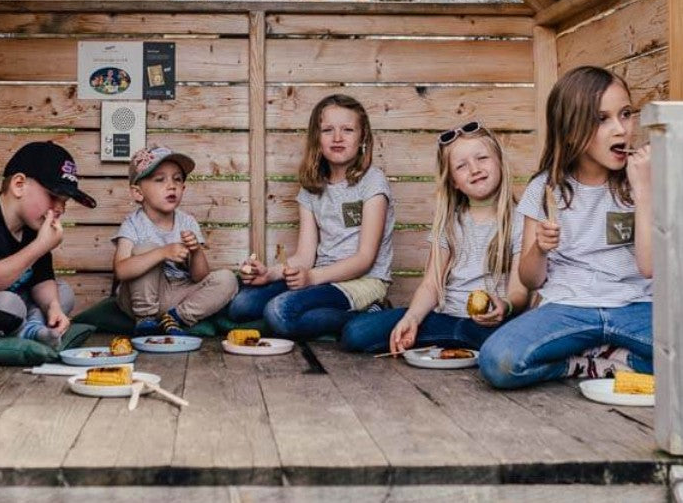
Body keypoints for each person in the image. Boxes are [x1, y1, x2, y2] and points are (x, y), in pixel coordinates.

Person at [479, 65, 653, 389]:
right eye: (602, 119)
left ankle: (616, 360)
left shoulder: (645, 179)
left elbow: (649, 267)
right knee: (497, 360)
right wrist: (540, 249)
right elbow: (530, 279)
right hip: (569, 308)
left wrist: (644, 192)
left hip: (637, 307)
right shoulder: (545, 189)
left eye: (626, 114)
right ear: (571, 130)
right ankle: (577, 363)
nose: (621, 129)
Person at [342, 120, 527, 353]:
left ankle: (472, 348)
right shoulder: (449, 222)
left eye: (482, 158)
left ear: (499, 161)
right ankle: (445, 341)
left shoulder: (520, 220)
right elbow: (431, 285)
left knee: (508, 350)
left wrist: (506, 306)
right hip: (444, 319)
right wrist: (412, 319)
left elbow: (520, 292)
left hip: (489, 327)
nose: (474, 169)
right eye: (461, 166)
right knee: (355, 333)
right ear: (453, 182)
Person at [229, 94, 395, 340]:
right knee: (241, 305)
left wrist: (312, 278)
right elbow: (305, 257)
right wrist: (271, 274)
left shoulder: (372, 182)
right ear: (316, 138)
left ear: (363, 137)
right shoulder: (311, 188)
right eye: (328, 130)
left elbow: (365, 259)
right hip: (319, 278)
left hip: (363, 281)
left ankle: (367, 315)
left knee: (278, 312)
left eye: (347, 130)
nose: (337, 137)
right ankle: (317, 313)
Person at [113, 145, 238, 335]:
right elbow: (121, 270)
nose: (171, 185)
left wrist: (196, 251)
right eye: (160, 179)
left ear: (183, 188)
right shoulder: (133, 224)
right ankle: (145, 319)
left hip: (179, 295)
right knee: (145, 249)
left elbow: (199, 277)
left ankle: (175, 318)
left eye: (177, 179)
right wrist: (162, 253)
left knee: (228, 279)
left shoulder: (187, 222)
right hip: (140, 298)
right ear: (138, 193)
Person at [0, 141, 96, 346]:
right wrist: (40, 246)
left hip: (17, 301)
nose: (60, 208)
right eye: (53, 197)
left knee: (62, 294)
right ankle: (30, 328)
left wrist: (52, 306)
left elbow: (41, 277)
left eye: (64, 201)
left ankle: (34, 328)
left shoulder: (34, 228)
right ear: (19, 185)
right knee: (8, 305)